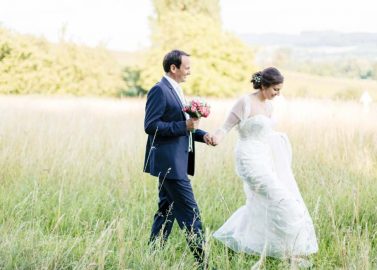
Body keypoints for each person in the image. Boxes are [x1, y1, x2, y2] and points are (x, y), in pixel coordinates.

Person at [210, 67, 318, 267]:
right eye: (275, 89)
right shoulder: (245, 103)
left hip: (264, 159)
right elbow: (225, 127)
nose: (278, 94)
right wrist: (215, 138)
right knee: (285, 201)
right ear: (263, 85)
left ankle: (249, 241)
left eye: (279, 90)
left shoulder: (269, 106)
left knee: (261, 203)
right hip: (248, 159)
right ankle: (290, 252)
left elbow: (267, 135)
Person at [143, 49, 213, 267]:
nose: (189, 72)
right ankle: (204, 263)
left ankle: (151, 256)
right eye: (187, 67)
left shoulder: (177, 90)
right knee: (190, 213)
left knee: (166, 210)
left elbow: (185, 127)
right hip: (170, 164)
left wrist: (204, 135)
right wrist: (184, 125)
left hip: (176, 162)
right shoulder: (159, 90)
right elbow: (151, 126)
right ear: (173, 68)